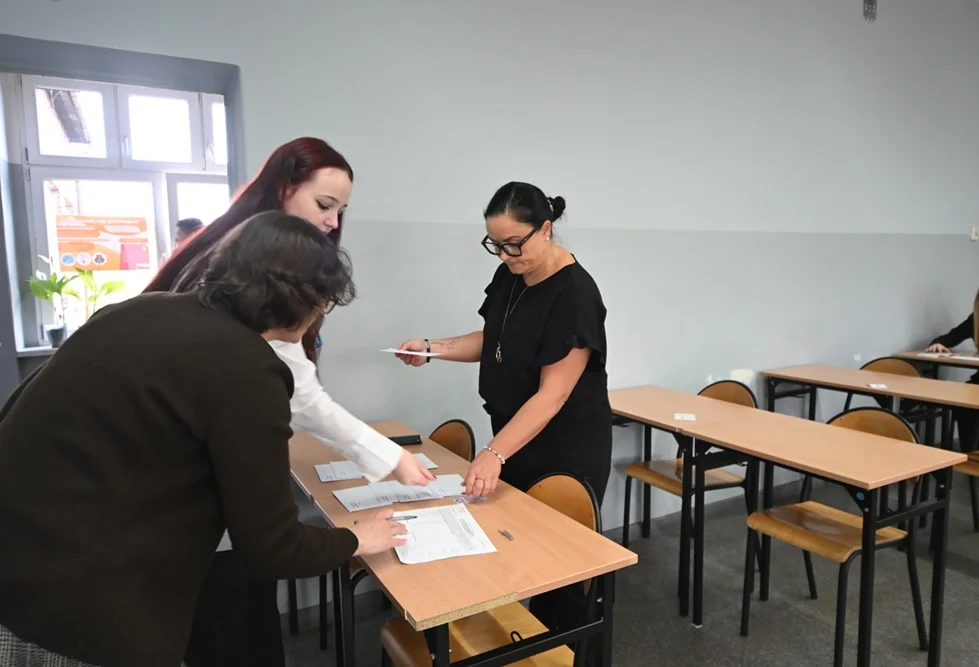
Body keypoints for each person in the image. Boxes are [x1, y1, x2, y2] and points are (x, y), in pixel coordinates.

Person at [0, 212, 407, 667]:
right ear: (306, 300)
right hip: (78, 614)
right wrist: (356, 539)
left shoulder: (135, 310)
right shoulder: (247, 368)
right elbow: (274, 548)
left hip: (19, 565)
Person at [145, 138, 433, 667]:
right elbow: (300, 397)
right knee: (233, 629)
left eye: (341, 211)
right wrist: (379, 483)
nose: (332, 222)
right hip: (177, 525)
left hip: (180, 523)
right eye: (324, 205)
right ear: (283, 189)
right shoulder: (241, 317)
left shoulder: (210, 288)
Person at [395, 181, 611, 662]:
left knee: (561, 574)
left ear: (546, 229)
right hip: (516, 438)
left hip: (565, 449)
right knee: (515, 556)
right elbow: (494, 337)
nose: (506, 255)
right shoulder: (511, 274)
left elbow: (553, 395)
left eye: (515, 244)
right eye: (496, 244)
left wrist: (494, 452)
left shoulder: (575, 294)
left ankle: (566, 655)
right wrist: (433, 349)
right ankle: (517, 650)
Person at [926, 275, 979, 451]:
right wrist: (938, 344)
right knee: (962, 405)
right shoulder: (978, 319)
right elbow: (949, 337)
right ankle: (976, 451)